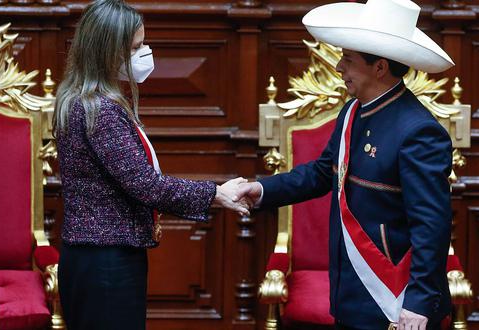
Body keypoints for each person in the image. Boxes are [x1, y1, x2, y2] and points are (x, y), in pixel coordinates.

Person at [236, 1, 455, 329]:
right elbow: (323, 172)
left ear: (379, 67)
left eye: (348, 60)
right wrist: (263, 189)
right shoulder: (353, 112)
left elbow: (431, 226)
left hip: (395, 302)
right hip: (350, 294)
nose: (339, 67)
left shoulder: (419, 131)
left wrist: (419, 301)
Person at [53, 0, 248, 329]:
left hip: (95, 255)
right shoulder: (101, 109)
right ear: (106, 51)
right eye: (135, 47)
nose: (145, 53)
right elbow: (146, 184)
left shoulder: (82, 99)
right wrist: (215, 192)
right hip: (106, 263)